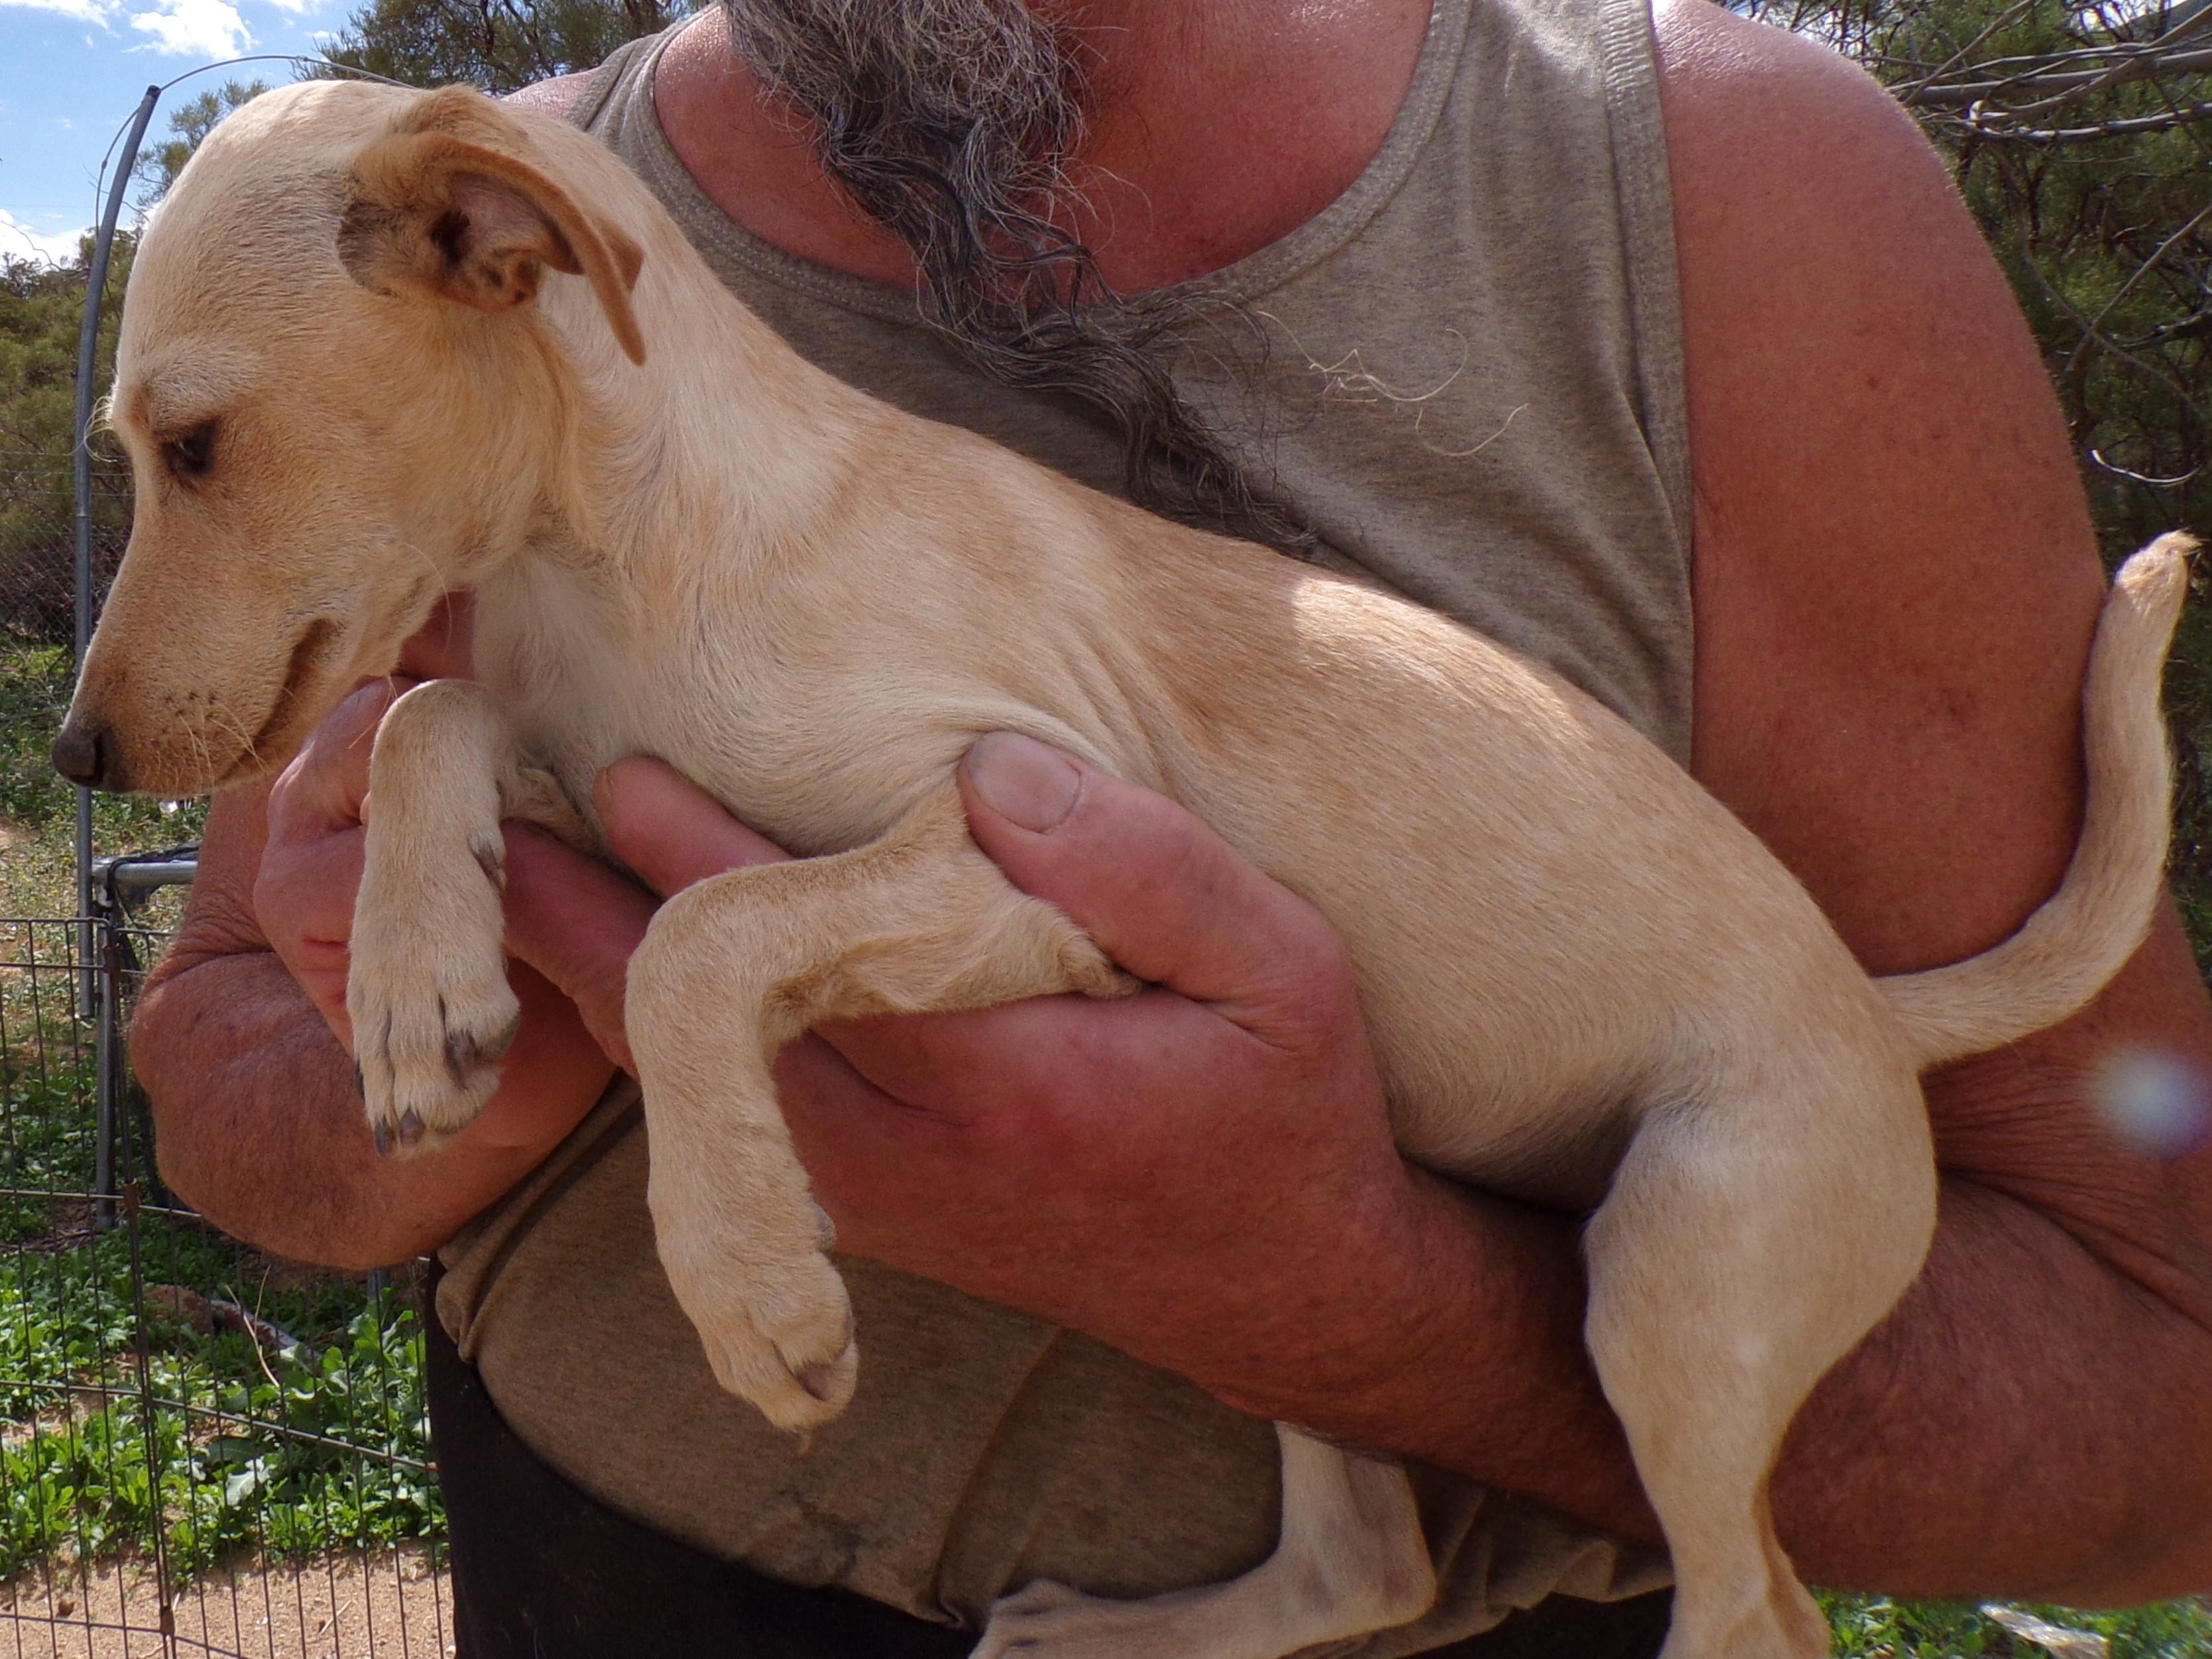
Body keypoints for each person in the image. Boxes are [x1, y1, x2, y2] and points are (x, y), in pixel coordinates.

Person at [130, 0, 2212, 1653]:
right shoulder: (442, 259)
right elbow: (227, 1067)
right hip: (582, 1578)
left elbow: (2163, 1388)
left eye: (201, 460)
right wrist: (451, 1058)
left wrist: (1349, 1297)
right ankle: (1331, 1555)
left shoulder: (1719, 190)